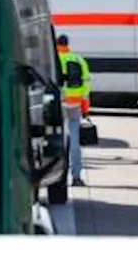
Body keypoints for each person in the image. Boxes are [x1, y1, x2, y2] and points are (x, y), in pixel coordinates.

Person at [56, 34, 92, 187]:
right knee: (75, 143)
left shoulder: (54, 59)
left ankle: (58, 177)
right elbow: (86, 87)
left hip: (57, 106)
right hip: (75, 105)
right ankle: (76, 176)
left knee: (57, 142)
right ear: (67, 44)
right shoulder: (78, 60)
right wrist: (86, 109)